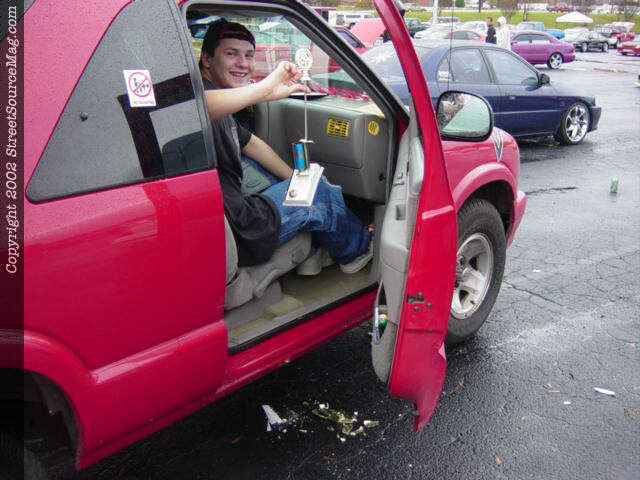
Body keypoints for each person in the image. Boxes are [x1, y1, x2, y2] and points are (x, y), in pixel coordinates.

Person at [199, 19, 373, 275]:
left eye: (249, 55)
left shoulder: (214, 96)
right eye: (231, 54)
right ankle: (357, 251)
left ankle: (315, 250)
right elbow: (196, 107)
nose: (243, 63)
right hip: (239, 229)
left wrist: (295, 179)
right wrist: (264, 87)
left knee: (294, 180)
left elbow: (251, 144)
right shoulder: (195, 100)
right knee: (322, 194)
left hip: (225, 212)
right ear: (207, 59)